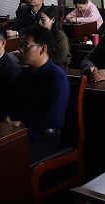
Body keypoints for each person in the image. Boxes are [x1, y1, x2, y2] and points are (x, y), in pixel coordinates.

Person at [5, 26, 70, 165]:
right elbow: (10, 101)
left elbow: (53, 116)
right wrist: (7, 117)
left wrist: (24, 125)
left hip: (43, 137)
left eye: (26, 46)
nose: (20, 50)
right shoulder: (23, 75)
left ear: (43, 49)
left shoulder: (56, 77)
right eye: (20, 45)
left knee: (8, 159)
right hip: (18, 131)